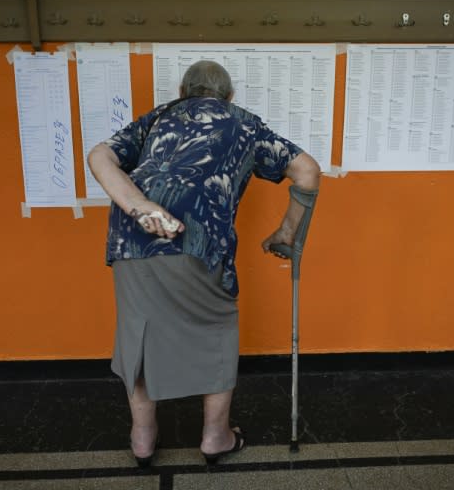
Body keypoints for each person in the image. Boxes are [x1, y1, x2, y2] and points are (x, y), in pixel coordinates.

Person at [88, 60, 321, 467]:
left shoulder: (159, 116)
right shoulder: (244, 123)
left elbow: (100, 155)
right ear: (228, 97)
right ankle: (215, 437)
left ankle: (142, 440)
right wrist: (287, 232)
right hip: (196, 238)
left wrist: (140, 206)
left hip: (131, 237)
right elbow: (307, 171)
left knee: (139, 332)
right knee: (215, 329)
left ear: (183, 92)